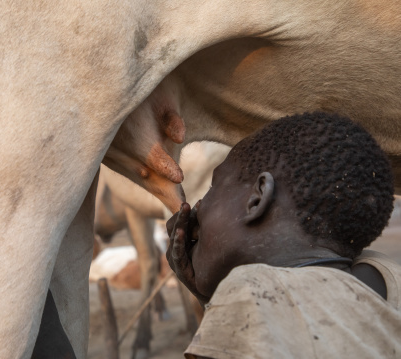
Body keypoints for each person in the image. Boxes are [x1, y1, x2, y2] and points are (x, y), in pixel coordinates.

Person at [166, 112, 401, 359]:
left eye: (213, 187)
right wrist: (209, 297)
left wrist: (222, 304)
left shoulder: (249, 293)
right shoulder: (385, 275)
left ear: (257, 199)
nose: (198, 207)